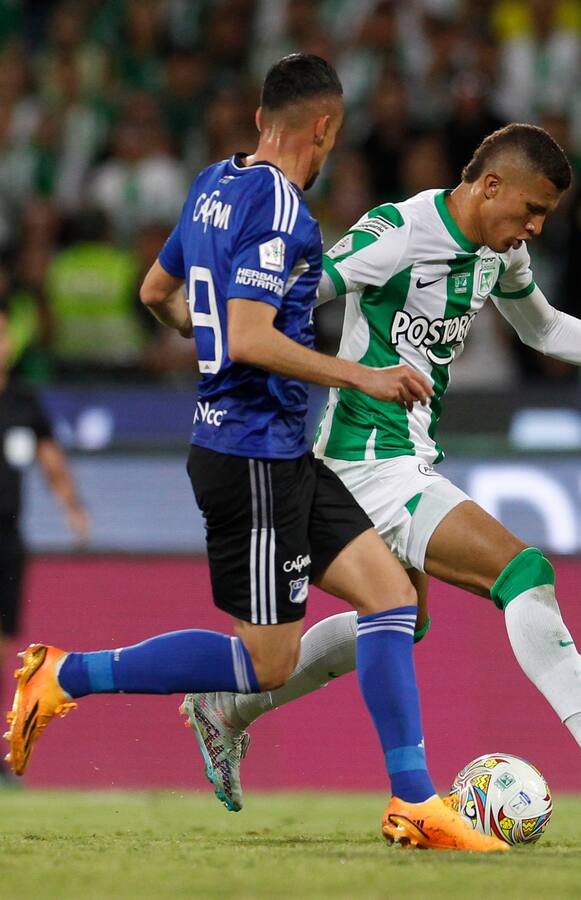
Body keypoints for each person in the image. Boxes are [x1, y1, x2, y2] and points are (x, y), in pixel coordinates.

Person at [3, 54, 505, 853]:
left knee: (390, 598)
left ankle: (416, 801)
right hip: (251, 457)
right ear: (325, 126)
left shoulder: (214, 183)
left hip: (274, 448)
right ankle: (62, 676)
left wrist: (215, 351)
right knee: (267, 664)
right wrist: (360, 375)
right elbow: (245, 334)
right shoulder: (280, 207)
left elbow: (156, 294)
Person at [180, 122, 581, 815]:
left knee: (403, 621)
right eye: (530, 210)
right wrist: (269, 372)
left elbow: (545, 328)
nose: (533, 227)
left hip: (404, 456)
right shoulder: (397, 232)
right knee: (521, 570)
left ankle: (227, 709)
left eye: (545, 218)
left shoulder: (498, 255)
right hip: (367, 458)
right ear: (489, 185)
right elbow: (298, 291)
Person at [0, 300, 90, 782]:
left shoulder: (22, 399)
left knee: (6, 646)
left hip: (7, 536)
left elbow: (49, 457)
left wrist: (73, 509)